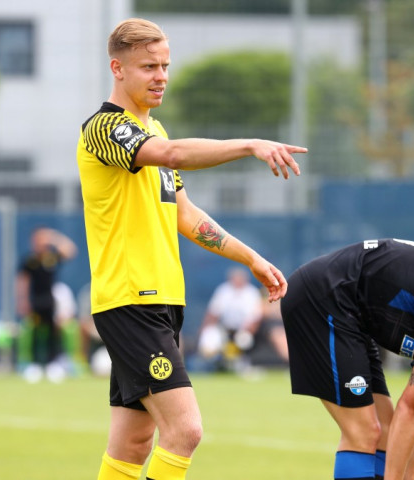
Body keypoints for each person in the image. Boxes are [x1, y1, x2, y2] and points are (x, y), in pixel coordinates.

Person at [77, 17, 307, 480]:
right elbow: (172, 155)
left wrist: (252, 258)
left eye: (165, 65)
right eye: (148, 67)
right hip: (131, 300)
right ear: (117, 68)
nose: (161, 76)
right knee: (185, 431)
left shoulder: (155, 130)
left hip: (161, 301)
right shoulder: (104, 128)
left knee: (132, 444)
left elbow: (186, 215)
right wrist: (250, 145)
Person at [280, 238, 414, 480]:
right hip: (322, 299)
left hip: (349, 313)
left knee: (387, 430)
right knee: (364, 431)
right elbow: (410, 407)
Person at [15, 227, 77, 382]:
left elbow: (71, 251)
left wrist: (54, 237)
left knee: (53, 332)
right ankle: (34, 365)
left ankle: (53, 364)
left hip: (50, 302)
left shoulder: (52, 258)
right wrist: (23, 300)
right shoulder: (30, 260)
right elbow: (23, 281)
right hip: (35, 302)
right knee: (36, 332)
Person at [198, 267, 263, 372]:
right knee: (209, 336)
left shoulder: (252, 293)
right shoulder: (223, 291)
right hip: (224, 329)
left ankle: (243, 364)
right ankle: (213, 365)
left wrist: (245, 332)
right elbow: (213, 313)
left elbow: (255, 319)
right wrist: (205, 328)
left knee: (244, 339)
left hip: (243, 330)